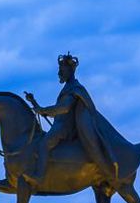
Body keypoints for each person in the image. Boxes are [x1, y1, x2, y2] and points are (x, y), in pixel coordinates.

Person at [25, 53, 117, 184]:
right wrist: (34, 103)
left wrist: (43, 110)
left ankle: (39, 175)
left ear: (70, 71)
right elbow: (56, 111)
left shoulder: (75, 89)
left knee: (44, 144)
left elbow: (63, 108)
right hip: (60, 126)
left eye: (62, 70)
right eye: (59, 70)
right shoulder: (69, 88)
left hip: (65, 129)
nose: (59, 73)